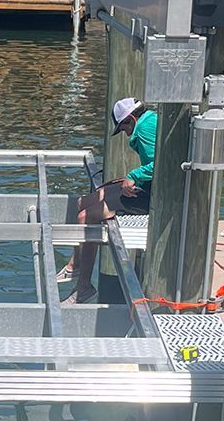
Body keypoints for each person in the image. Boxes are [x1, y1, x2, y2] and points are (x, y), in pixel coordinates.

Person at [58, 97, 156, 304]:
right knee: (82, 203)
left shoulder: (145, 129)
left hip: (152, 196)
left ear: (130, 118)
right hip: (147, 187)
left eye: (124, 128)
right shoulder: (150, 121)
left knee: (86, 216)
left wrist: (134, 176)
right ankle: (75, 265)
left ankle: (83, 286)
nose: (126, 133)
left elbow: (161, 164)